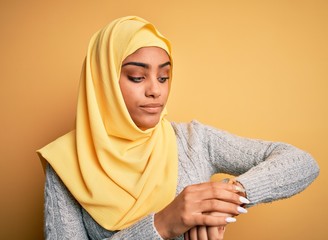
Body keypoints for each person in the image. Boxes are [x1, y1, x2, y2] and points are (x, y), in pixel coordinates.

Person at [37, 16, 320, 240]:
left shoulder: (193, 140)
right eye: (137, 77)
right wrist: (162, 224)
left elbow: (302, 162)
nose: (155, 91)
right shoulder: (66, 163)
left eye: (164, 77)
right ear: (102, 82)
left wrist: (222, 197)